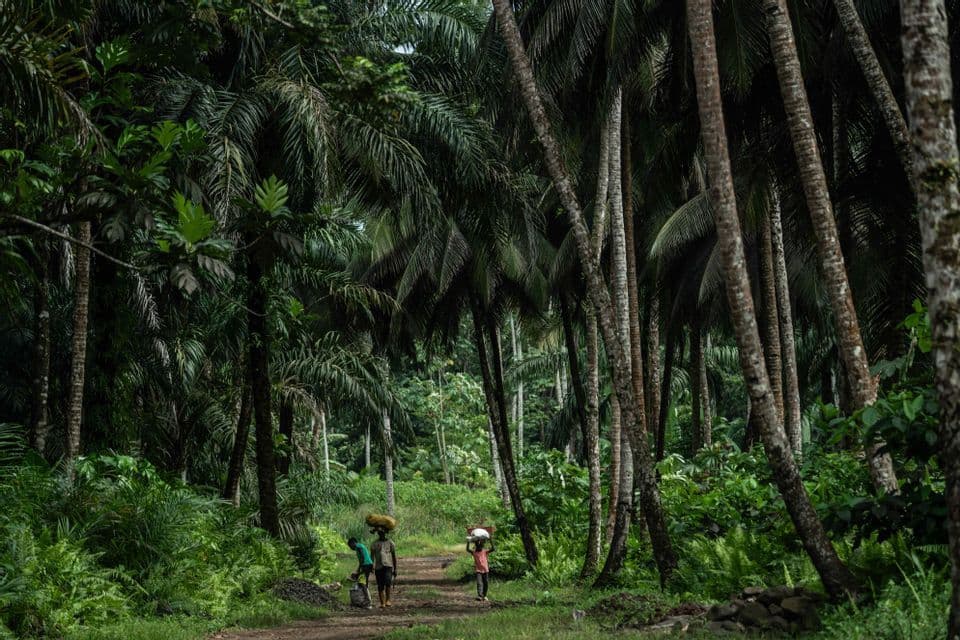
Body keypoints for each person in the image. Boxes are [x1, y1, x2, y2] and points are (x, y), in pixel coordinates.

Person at [371, 528, 398, 607]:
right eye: (379, 532)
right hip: (378, 567)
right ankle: (382, 602)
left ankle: (388, 600)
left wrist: (395, 568)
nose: (381, 534)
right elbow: (372, 556)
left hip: (388, 566)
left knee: (388, 583)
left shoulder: (390, 543)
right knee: (380, 585)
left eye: (382, 532)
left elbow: (393, 556)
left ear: (385, 533)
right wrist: (371, 565)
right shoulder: (374, 544)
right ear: (378, 533)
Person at [347, 537, 373, 608]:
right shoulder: (359, 547)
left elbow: (362, 558)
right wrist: (358, 570)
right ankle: (366, 599)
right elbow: (360, 561)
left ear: (353, 543)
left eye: (350, 546)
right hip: (366, 565)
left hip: (366, 565)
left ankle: (367, 600)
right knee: (362, 582)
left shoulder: (358, 547)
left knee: (362, 582)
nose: (350, 548)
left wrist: (359, 572)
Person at [466, 535, 494, 601]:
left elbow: (493, 549)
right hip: (478, 570)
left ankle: (484, 595)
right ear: (476, 546)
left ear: (482, 546)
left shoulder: (484, 552)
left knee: (486, 583)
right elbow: (467, 549)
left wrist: (490, 540)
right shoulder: (474, 552)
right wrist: (468, 542)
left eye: (480, 546)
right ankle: (480, 595)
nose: (479, 547)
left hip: (485, 570)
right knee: (479, 583)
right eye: (478, 546)